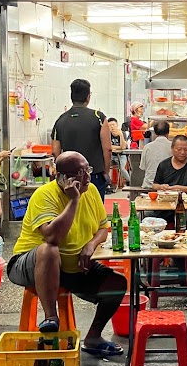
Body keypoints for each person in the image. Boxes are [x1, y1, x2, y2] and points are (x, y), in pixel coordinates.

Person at [7, 151, 127, 355]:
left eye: (87, 170)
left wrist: (90, 245)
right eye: (79, 173)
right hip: (29, 263)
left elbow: (102, 228)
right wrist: (73, 201)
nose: (87, 177)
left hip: (71, 267)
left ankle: (94, 338)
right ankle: (51, 317)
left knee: (117, 284)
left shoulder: (92, 191)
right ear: (62, 178)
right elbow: (52, 237)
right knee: (49, 250)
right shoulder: (44, 195)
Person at [50, 78, 111, 202]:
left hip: (69, 177)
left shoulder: (60, 120)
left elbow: (55, 151)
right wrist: (105, 172)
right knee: (94, 211)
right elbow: (108, 149)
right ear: (88, 97)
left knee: (71, 210)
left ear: (71, 96)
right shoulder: (98, 117)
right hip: (94, 175)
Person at [139, 120, 172, 189]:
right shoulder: (173, 147)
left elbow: (143, 167)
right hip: (168, 185)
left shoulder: (147, 147)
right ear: (168, 133)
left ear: (155, 133)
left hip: (148, 185)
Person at [107, 117, 130, 186]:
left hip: (122, 155)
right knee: (105, 168)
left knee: (122, 169)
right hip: (111, 155)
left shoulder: (124, 133)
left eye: (113, 125)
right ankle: (108, 184)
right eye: (110, 125)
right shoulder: (107, 135)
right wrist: (118, 147)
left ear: (117, 124)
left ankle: (130, 182)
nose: (112, 127)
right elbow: (109, 146)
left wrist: (120, 135)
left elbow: (123, 147)